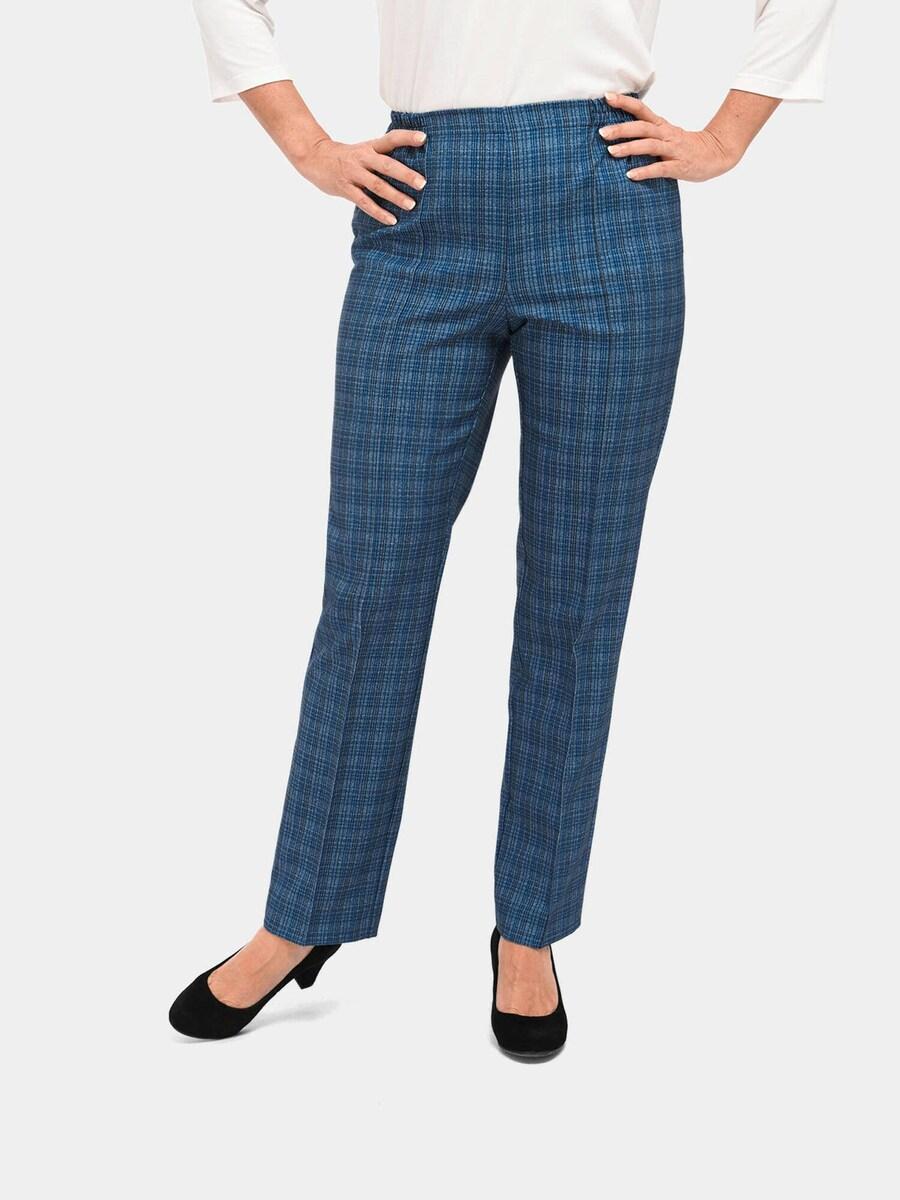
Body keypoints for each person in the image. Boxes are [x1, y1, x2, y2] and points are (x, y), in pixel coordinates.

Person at [170, 0, 837, 1056]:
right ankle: (303, 914)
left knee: (578, 598)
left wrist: (728, 135)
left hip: (607, 197)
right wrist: (305, 143)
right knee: (370, 591)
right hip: (418, 200)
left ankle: (531, 928)